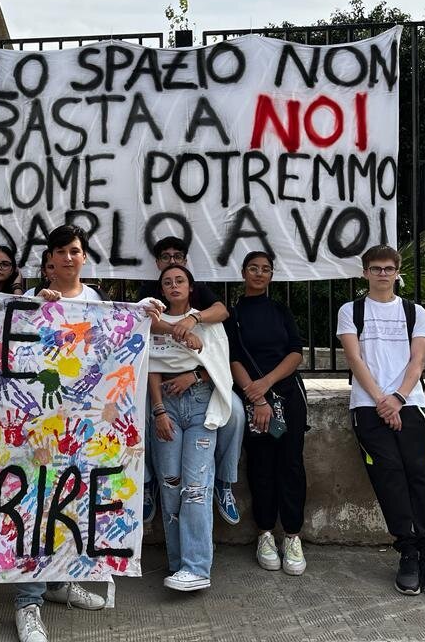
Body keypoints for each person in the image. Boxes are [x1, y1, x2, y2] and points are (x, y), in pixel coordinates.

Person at [337, 245, 425, 600]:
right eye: (375, 268)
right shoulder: (350, 311)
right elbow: (355, 359)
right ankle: (408, 553)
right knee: (389, 477)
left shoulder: (415, 312)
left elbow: (417, 362)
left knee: (418, 474)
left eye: (388, 268)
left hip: (410, 403)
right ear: (365, 273)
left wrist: (398, 399)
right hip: (368, 406)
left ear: (397, 273)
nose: (382, 274)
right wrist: (381, 402)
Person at [15, 224, 107, 642]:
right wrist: (38, 307)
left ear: (84, 256)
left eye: (75, 251)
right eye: (61, 252)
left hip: (81, 423)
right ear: (49, 260)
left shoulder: (96, 302)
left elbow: (110, 351)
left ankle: (57, 582)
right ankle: (27, 603)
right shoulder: (35, 301)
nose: (68, 258)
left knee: (69, 505)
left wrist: (146, 313)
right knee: (35, 505)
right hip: (39, 422)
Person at [137, 235, 244, 527]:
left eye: (178, 257)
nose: (172, 263)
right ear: (157, 265)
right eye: (166, 257)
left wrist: (192, 320)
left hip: (203, 381)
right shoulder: (149, 292)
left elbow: (221, 313)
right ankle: (148, 484)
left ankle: (223, 482)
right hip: (160, 385)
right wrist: (178, 330)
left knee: (234, 412)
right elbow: (143, 322)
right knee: (140, 418)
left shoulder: (199, 293)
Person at [145, 264, 235, 592]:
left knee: (196, 487)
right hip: (165, 406)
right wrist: (158, 412)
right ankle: (178, 563)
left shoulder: (205, 320)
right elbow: (152, 367)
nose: (173, 286)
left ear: (191, 285)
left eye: (179, 280)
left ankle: (197, 567)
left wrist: (193, 377)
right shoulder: (154, 319)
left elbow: (220, 366)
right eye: (167, 282)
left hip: (199, 404)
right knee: (171, 485)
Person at [227, 251, 307, 575]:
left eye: (265, 269)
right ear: (243, 272)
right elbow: (233, 359)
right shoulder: (232, 315)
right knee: (260, 466)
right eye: (253, 268)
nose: (259, 274)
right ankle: (264, 534)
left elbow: (296, 353)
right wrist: (257, 398)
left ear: (272, 275)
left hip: (287, 395)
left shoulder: (280, 311)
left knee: (291, 466)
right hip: (252, 401)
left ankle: (292, 536)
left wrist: (268, 383)